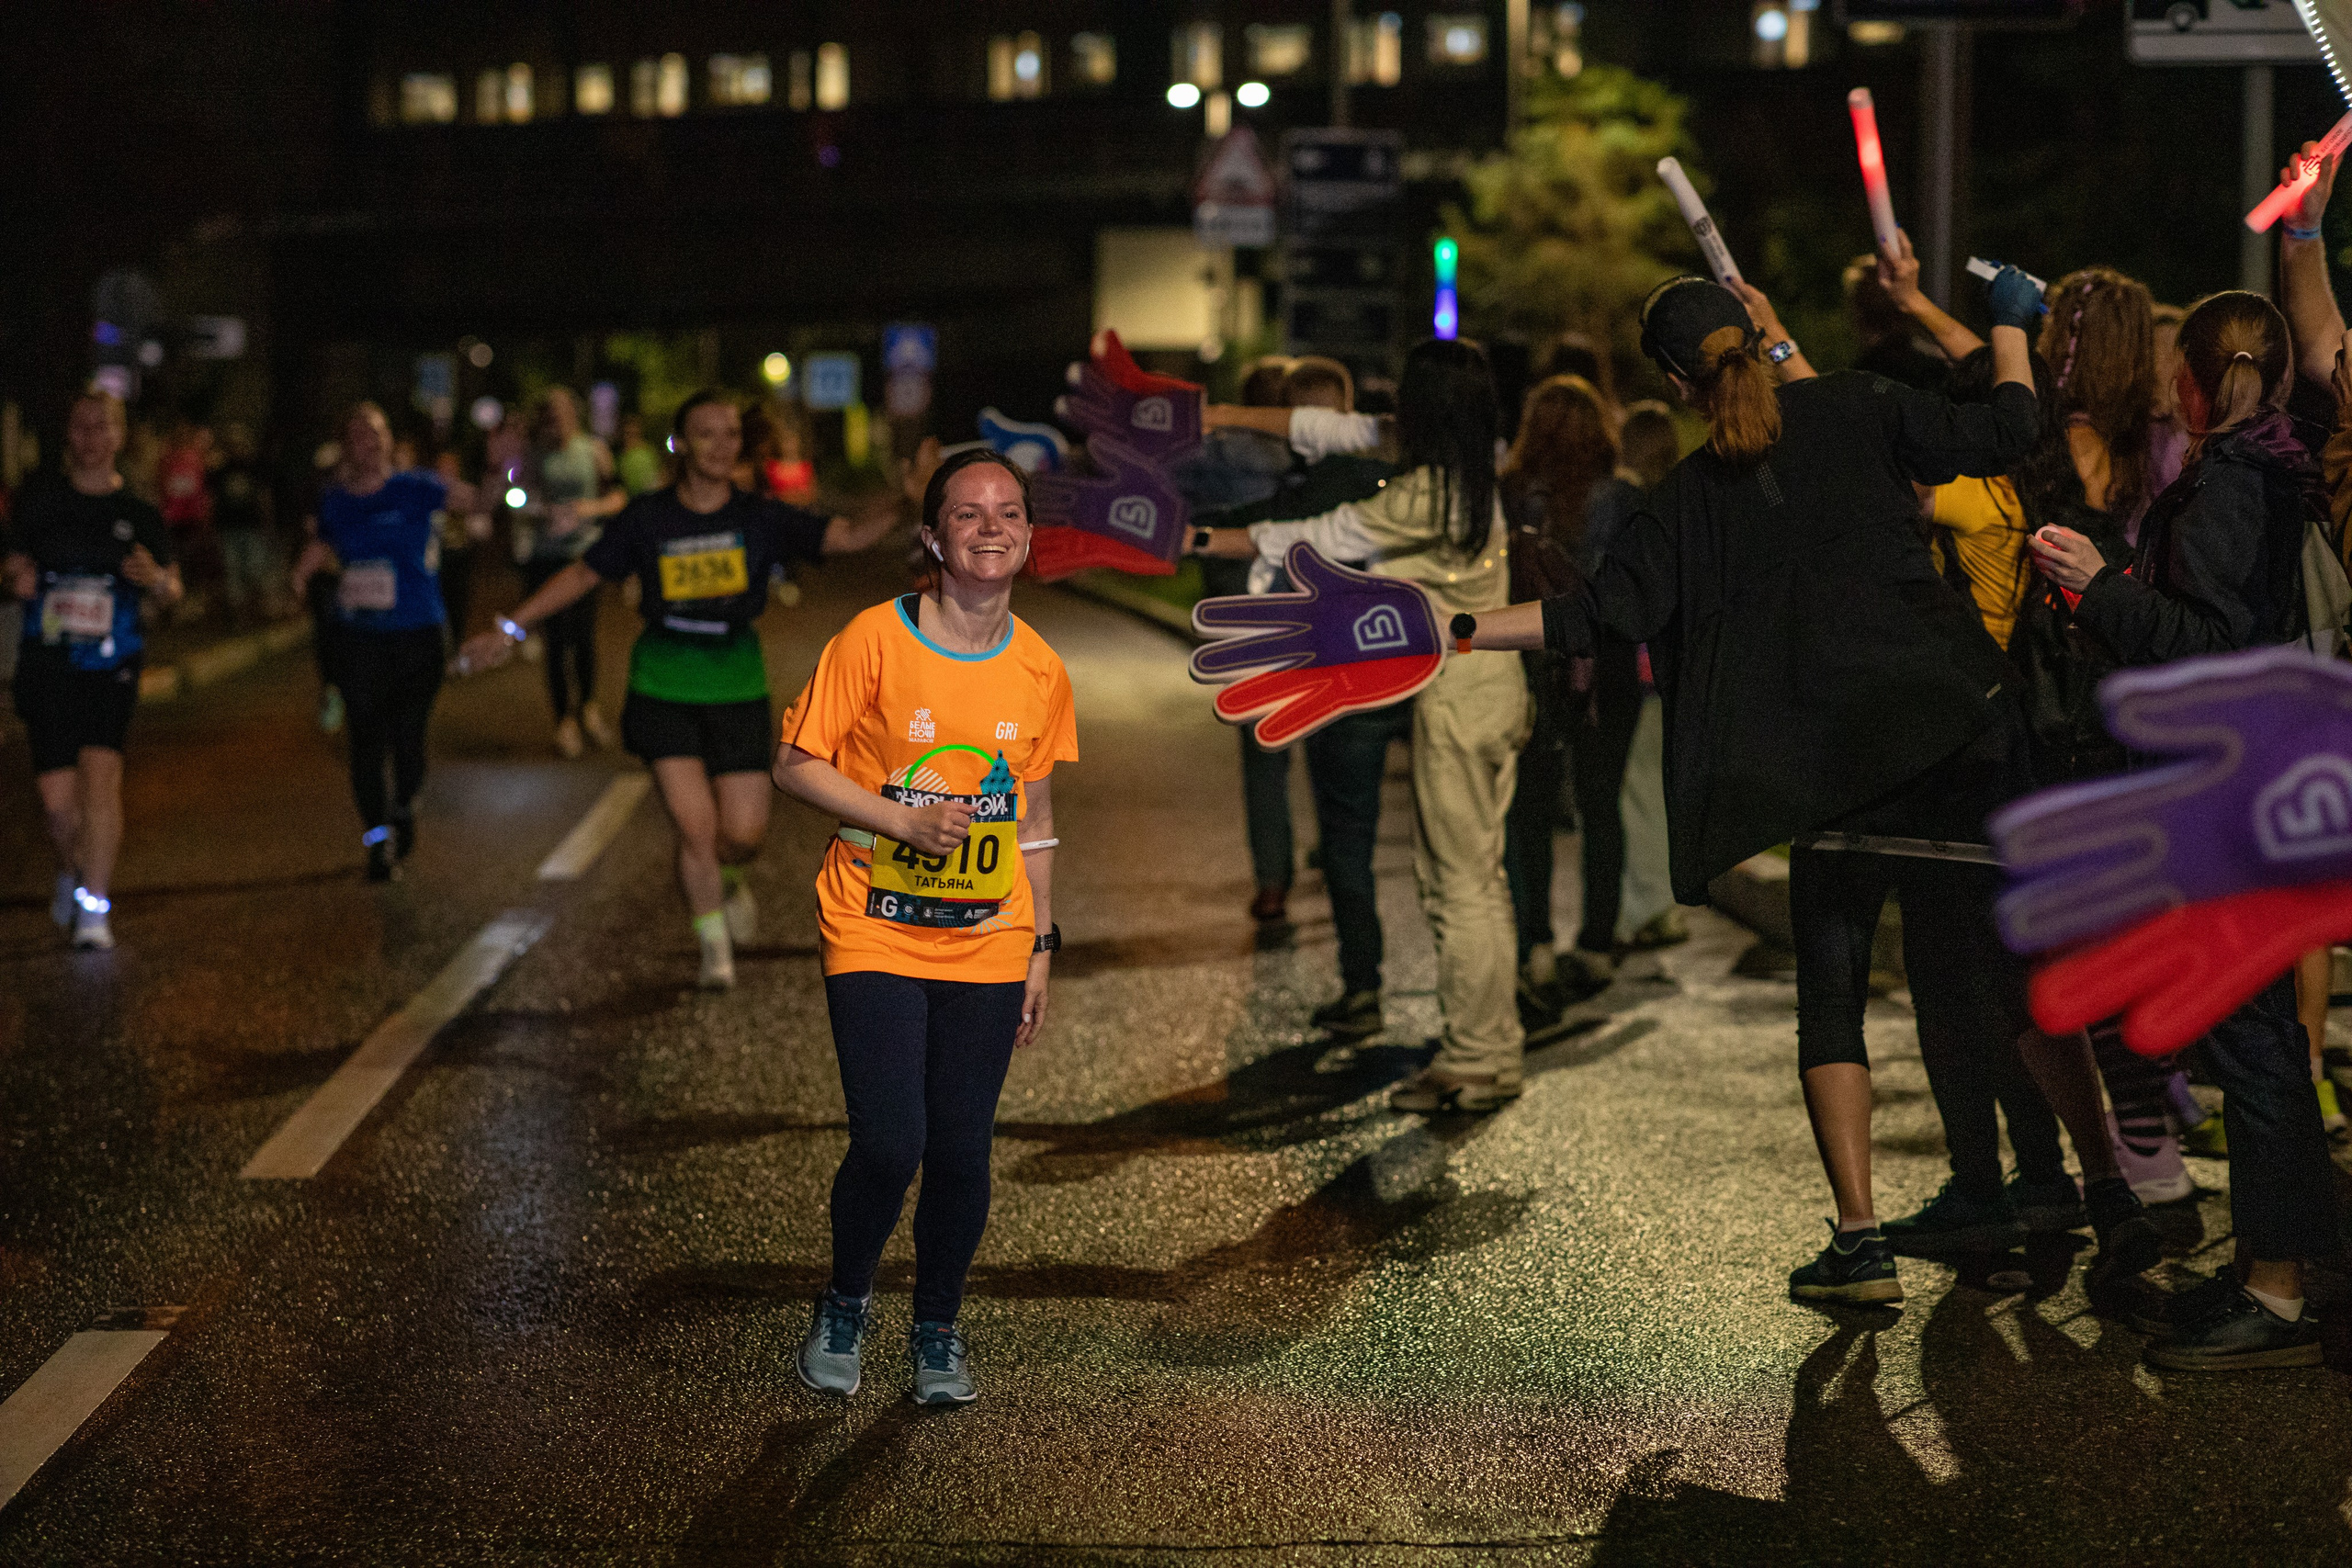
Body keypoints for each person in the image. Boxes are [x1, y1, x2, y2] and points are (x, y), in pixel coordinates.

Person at [1452, 270, 2115, 1304]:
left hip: (1830, 772)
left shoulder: (1684, 501)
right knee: (2010, 971)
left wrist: (1451, 630)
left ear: (1673, 383)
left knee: (1833, 1001)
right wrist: (2009, 325)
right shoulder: (1860, 405)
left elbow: (1597, 618)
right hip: (1956, 735)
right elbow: (2007, 428)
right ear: (1752, 334)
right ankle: (2106, 1186)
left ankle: (1860, 1241)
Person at [2030, 289, 2341, 1371]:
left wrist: (2096, 584)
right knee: (2259, 1041)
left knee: (2254, 1046)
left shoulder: (2227, 483)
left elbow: (2201, 645)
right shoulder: (2281, 463)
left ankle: (2279, 1289)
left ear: (2192, 382)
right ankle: (2288, 1258)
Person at [769, 446, 1076, 1406]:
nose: (991, 527)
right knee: (892, 1140)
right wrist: (900, 819)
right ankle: (846, 1300)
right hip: (874, 919)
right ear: (933, 535)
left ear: (1028, 539)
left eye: (1009, 513)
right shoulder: (874, 639)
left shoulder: (1038, 670)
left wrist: (1041, 943)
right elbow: (793, 762)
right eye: (969, 513)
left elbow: (1033, 822)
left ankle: (938, 1326)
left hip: (988, 934)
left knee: (961, 1148)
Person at [1196, 339, 1532, 1113]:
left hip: (1462, 699)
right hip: (1492, 691)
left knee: (1460, 887)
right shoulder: (1473, 468)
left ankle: (1477, 1060)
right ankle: (1491, 1046)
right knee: (1477, 878)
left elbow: (1308, 536)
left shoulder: (1424, 497)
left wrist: (1192, 539)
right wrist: (1218, 412)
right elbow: (1328, 430)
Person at [463, 390, 896, 989]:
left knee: (742, 835)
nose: (723, 445)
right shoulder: (648, 517)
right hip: (664, 681)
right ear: (681, 443)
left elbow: (846, 535)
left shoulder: (757, 515)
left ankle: (731, 879)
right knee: (695, 828)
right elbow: (586, 571)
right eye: (707, 433)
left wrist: (907, 496)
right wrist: (512, 627)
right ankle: (713, 944)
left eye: (731, 434)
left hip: (736, 681)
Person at [4, 389, 184, 950]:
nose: (90, 438)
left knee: (103, 779)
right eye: (80, 428)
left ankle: (95, 911)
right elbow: (10, 568)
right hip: (47, 664)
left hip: (113, 664)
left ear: (119, 435)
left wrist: (156, 579)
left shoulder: (140, 514)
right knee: (60, 813)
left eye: (101, 427)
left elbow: (172, 587)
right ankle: (70, 869)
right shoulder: (39, 504)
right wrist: (14, 582)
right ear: (69, 436)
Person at [293, 402, 484, 882]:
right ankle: (377, 840)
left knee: (408, 739)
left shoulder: (416, 487)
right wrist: (302, 570)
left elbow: (478, 502)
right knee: (364, 740)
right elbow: (326, 543)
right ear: (346, 446)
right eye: (356, 435)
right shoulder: (335, 499)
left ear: (387, 440)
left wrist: (502, 468)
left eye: (374, 434)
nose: (367, 443)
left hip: (419, 633)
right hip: (359, 637)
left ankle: (403, 806)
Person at [1498, 374, 1624, 1015]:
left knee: (1531, 808)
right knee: (1602, 803)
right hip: (1605, 669)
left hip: (1531, 661)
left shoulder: (1513, 494)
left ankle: (1536, 942)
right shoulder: (1618, 495)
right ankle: (1598, 941)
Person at [513, 387, 628, 757]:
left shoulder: (594, 451)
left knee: (583, 637)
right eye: (550, 413)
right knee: (555, 642)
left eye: (563, 411)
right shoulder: (533, 455)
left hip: (584, 556)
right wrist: (542, 510)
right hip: (545, 556)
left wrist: (585, 509)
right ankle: (564, 720)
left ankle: (589, 709)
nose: (557, 419)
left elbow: (618, 498)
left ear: (573, 414)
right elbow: (517, 499)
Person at [211, 422, 282, 625]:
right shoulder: (221, 470)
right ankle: (240, 617)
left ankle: (257, 613)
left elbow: (264, 497)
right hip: (229, 529)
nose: (235, 448)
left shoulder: (255, 467)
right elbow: (214, 501)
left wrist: (268, 524)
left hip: (252, 527)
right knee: (234, 572)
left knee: (256, 569)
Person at [616, 412, 665, 497]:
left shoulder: (648, 451)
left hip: (650, 497)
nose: (631, 438)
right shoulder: (620, 456)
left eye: (634, 434)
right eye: (628, 434)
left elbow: (660, 473)